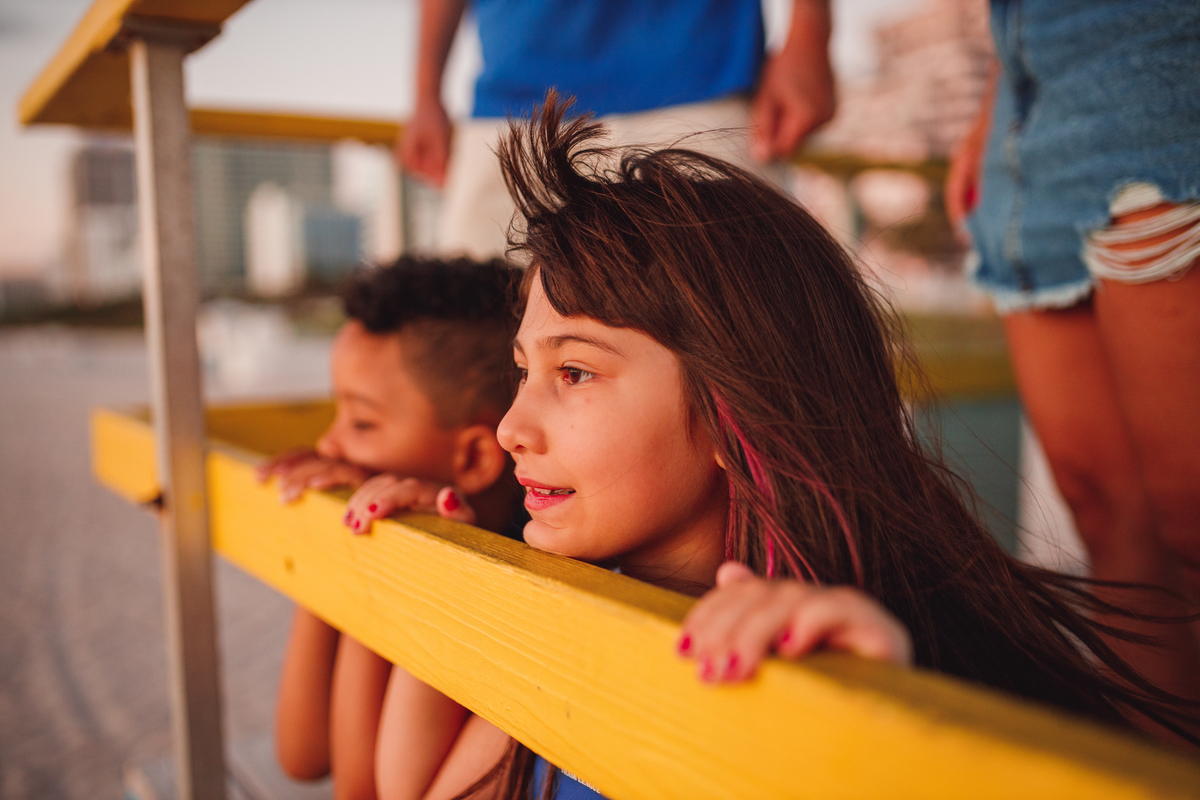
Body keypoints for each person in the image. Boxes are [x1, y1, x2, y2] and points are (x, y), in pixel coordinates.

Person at [349, 96, 1196, 800]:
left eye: (574, 372)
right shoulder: (572, 604)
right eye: (522, 369)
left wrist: (872, 720)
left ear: (732, 409)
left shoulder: (857, 650)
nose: (511, 426)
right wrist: (436, 572)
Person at [944, 0, 1200, 711]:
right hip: (1025, 83)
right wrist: (996, 107)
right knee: (1103, 512)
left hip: (1159, 57)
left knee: (1192, 517)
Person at [257, 255, 524, 800]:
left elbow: (356, 790)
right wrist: (340, 536)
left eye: (361, 421)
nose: (329, 444)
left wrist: (371, 553)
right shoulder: (402, 531)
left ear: (473, 458)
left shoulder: (516, 574)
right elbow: (300, 755)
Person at [398, 0, 836, 259]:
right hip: (512, 108)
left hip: (701, 79)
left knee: (742, 350)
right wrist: (424, 92)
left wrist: (810, 33)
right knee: (472, 353)